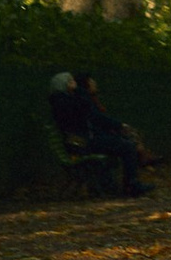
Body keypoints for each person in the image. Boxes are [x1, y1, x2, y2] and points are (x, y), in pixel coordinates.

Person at [48, 69, 146, 198]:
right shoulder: (64, 102)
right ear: (64, 84)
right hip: (81, 143)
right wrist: (80, 91)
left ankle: (120, 183)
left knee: (122, 143)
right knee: (127, 147)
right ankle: (131, 184)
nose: (74, 83)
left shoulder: (65, 100)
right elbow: (87, 112)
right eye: (70, 81)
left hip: (82, 140)